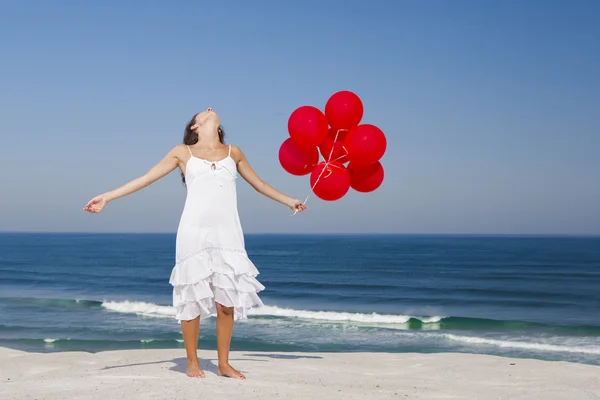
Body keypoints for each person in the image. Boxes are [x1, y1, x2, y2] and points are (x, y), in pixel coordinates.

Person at [83, 107, 307, 379]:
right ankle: (192, 362)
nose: (210, 109)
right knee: (191, 298)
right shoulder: (182, 153)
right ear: (195, 126)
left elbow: (259, 184)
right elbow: (145, 179)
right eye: (204, 112)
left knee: (227, 303)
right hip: (193, 232)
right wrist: (107, 196)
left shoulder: (233, 152)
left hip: (228, 234)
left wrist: (289, 200)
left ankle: (223, 365)